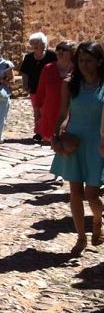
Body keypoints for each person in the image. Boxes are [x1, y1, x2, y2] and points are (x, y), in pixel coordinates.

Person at [50, 42, 104, 256]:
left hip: (97, 142)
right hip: (74, 141)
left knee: (92, 194)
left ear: (99, 61)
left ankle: (98, 220)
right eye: (80, 60)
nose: (84, 65)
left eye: (89, 60)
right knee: (75, 192)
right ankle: (81, 236)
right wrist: (57, 135)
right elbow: (63, 114)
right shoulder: (70, 84)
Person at [34, 41, 76, 144]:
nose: (60, 51)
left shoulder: (77, 70)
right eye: (58, 49)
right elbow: (40, 91)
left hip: (71, 112)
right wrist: (37, 111)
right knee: (53, 142)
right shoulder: (48, 68)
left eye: (64, 49)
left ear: (72, 52)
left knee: (68, 142)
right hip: (51, 111)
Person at [20, 32, 57, 142]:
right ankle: (38, 133)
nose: (34, 45)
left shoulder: (51, 56)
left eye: (36, 42)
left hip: (48, 89)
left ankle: (47, 132)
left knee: (46, 111)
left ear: (43, 43)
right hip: (34, 88)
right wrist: (25, 85)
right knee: (37, 111)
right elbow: (24, 73)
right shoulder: (28, 58)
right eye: (32, 43)